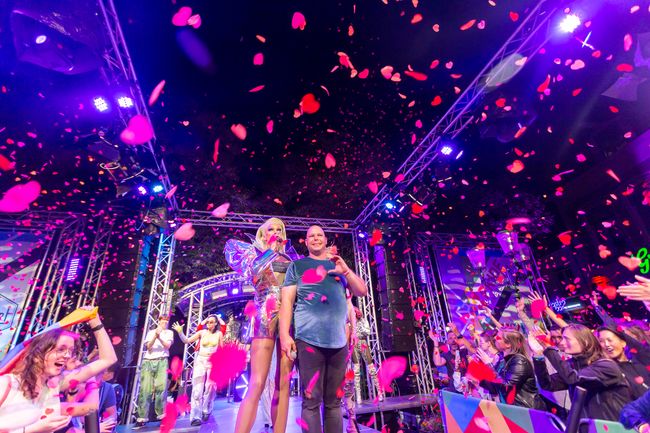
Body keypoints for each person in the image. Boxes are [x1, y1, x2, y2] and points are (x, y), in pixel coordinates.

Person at [280, 225, 368, 433]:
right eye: (311, 236)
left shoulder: (338, 265)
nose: (316, 238)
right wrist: (284, 334)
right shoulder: (297, 266)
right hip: (308, 340)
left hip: (338, 342)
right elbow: (287, 301)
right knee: (311, 400)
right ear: (306, 241)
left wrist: (346, 270)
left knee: (334, 402)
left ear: (326, 239)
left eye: (319, 235)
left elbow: (362, 291)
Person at [226, 217, 300, 433]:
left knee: (283, 383)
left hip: (290, 318)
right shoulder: (254, 253)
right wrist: (270, 251)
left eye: (279, 229)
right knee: (257, 382)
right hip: (265, 315)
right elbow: (253, 272)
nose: (275, 232)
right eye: (271, 229)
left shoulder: (292, 258)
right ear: (262, 233)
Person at [0, 307, 117, 432]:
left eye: (70, 351)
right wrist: (34, 429)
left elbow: (108, 359)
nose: (67, 355)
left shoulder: (54, 386)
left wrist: (95, 321)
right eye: (61, 349)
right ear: (37, 354)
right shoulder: (7, 384)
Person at [530, 323, 632, 421]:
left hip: (612, 425)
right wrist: (538, 356)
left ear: (585, 341)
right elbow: (548, 385)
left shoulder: (605, 365)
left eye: (566, 339)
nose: (562, 343)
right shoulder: (572, 365)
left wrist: (549, 349)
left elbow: (574, 379)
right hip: (587, 426)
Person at [471, 328, 544, 409]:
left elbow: (506, 386)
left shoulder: (519, 361)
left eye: (498, 338)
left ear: (508, 344)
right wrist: (478, 378)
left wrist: (488, 365)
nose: (494, 339)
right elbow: (495, 388)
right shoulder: (505, 360)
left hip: (527, 410)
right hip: (514, 409)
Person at [173, 314, 223, 426]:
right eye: (208, 322)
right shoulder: (202, 333)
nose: (209, 324)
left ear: (216, 323)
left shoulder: (219, 334)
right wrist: (180, 332)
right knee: (197, 389)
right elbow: (186, 340)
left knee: (210, 387)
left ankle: (206, 409)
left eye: (211, 322)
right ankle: (195, 417)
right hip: (200, 360)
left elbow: (222, 349)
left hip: (213, 362)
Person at [135, 314, 173, 427]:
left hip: (162, 361)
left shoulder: (169, 333)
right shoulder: (151, 332)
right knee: (145, 389)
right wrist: (155, 336)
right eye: (163, 321)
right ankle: (142, 417)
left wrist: (159, 337)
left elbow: (167, 346)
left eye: (166, 321)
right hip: (148, 361)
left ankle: (161, 415)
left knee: (161, 388)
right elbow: (148, 346)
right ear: (159, 321)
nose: (165, 323)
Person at [597, 327, 650, 400]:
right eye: (601, 341)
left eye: (609, 340)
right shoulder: (609, 372)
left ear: (623, 343)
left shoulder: (640, 362)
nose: (606, 344)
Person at [350, 307, 383, 404]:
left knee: (371, 369)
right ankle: (358, 396)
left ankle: (379, 392)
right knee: (356, 371)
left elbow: (367, 332)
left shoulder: (363, 321)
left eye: (354, 312)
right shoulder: (348, 323)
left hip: (362, 343)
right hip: (353, 345)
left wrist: (358, 329)